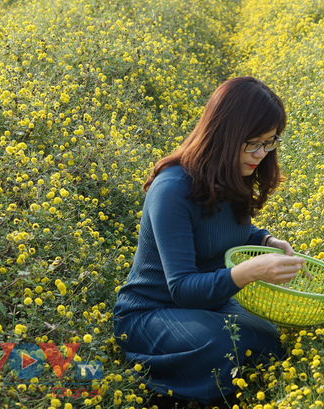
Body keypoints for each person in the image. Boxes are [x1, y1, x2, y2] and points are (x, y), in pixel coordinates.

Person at [112, 76, 304, 405]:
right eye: (252, 143)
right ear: (224, 135)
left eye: (270, 142)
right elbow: (183, 289)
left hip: (208, 304)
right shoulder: (172, 189)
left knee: (269, 339)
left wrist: (268, 241)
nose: (261, 153)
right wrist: (250, 272)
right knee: (224, 344)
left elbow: (233, 232)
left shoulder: (232, 176)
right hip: (151, 313)